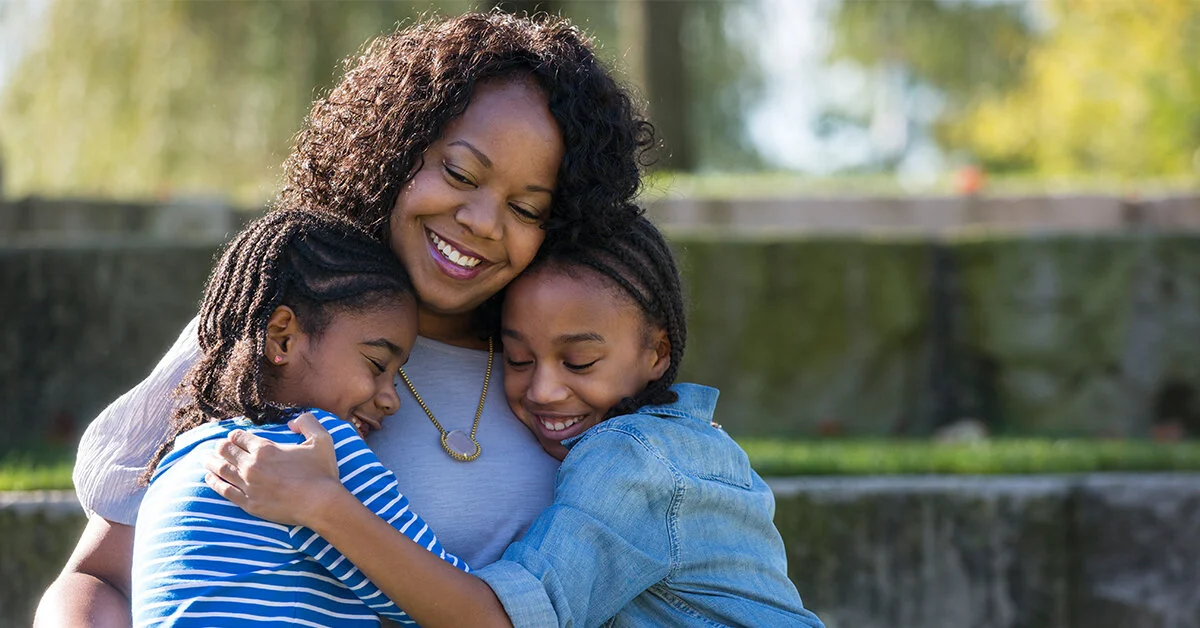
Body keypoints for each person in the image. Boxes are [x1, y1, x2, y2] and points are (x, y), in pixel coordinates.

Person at [36, 12, 652, 627]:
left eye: (525, 208)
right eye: (460, 173)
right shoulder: (278, 328)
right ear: (396, 149)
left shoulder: (565, 368)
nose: (484, 222)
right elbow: (97, 578)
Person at [205, 216, 826, 627]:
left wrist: (323, 504)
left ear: (657, 353)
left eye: (580, 360)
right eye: (520, 359)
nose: (546, 389)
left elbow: (502, 621)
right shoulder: (683, 443)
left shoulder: (636, 459)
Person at [133, 210, 474, 625]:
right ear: (283, 337)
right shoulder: (310, 449)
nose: (391, 400)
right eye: (376, 363)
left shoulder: (179, 455)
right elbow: (455, 609)